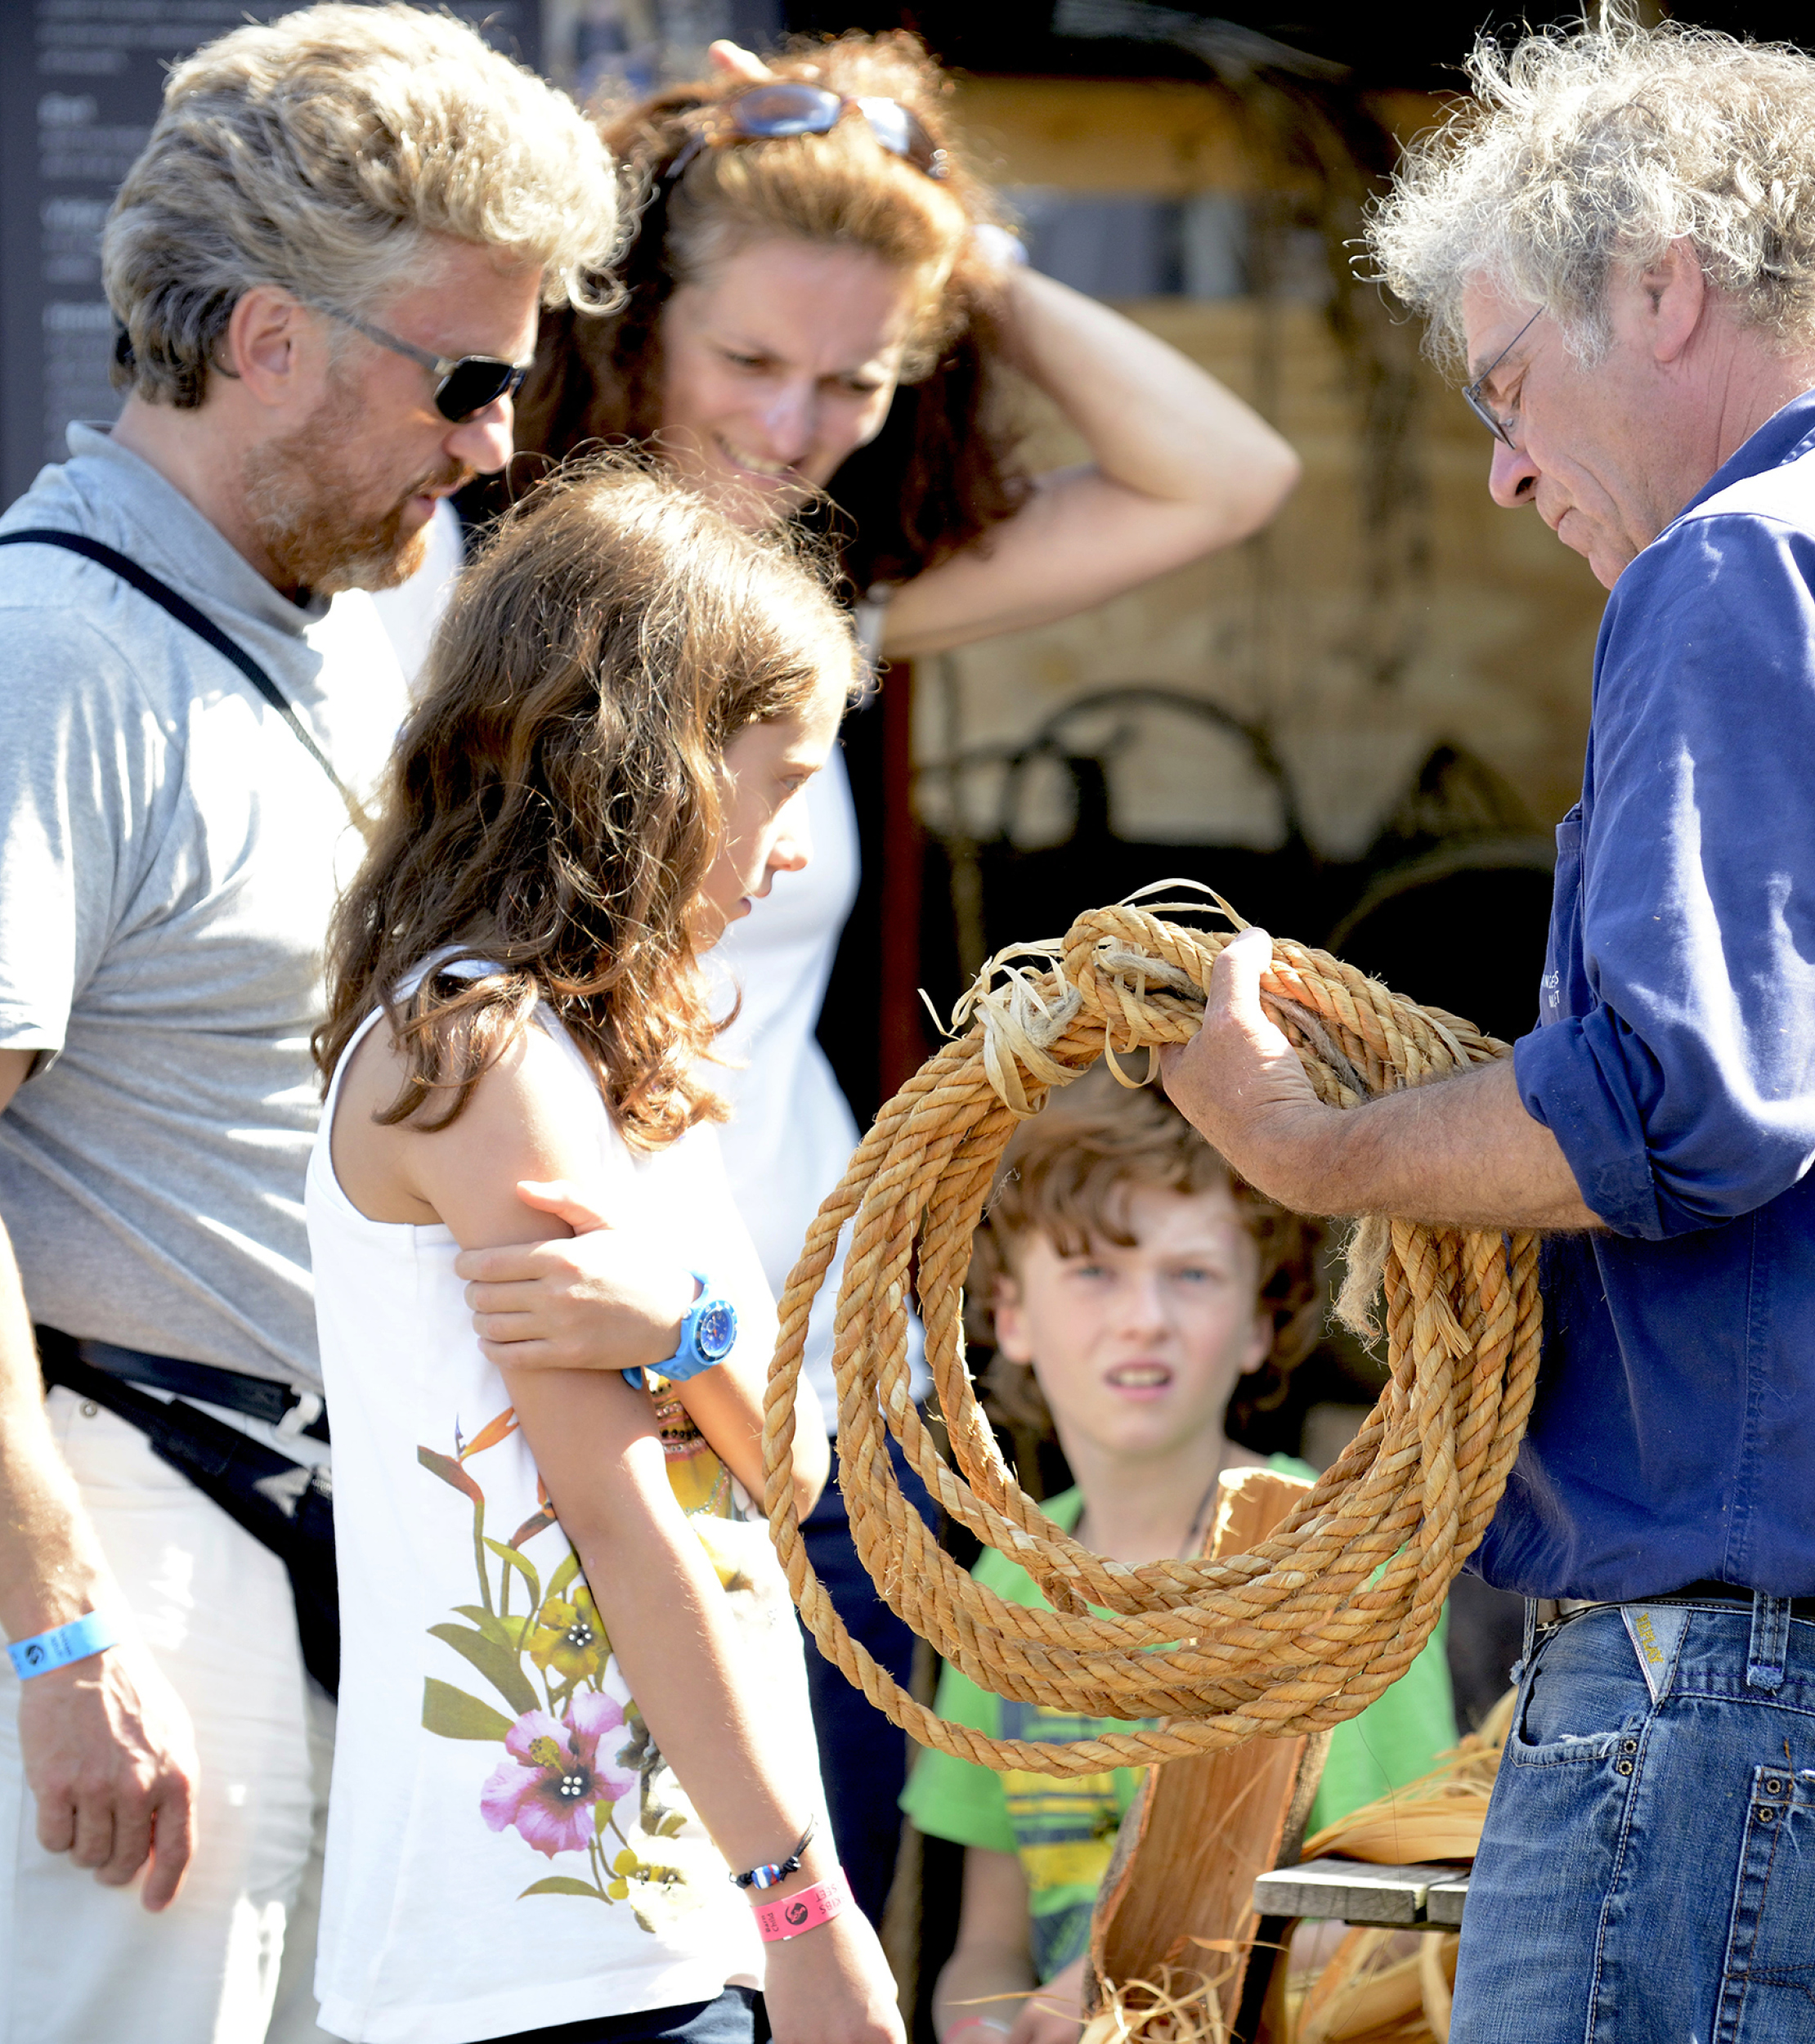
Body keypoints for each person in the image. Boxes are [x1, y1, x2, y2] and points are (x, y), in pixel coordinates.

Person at [1158, 18, 1815, 2043]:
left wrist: (1304, 1146)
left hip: (1732, 1720)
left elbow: (1677, 1099)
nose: (1501, 463)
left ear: (1659, 284)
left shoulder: (1749, 560)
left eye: (1505, 381)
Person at [455, 27, 1304, 1922]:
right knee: (593, 1953)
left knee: (820, 1950)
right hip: (552, 1397)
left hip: (826, 1410)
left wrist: (950, 238)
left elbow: (1226, 474)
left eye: (854, 377)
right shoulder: (463, 600)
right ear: (628, 326)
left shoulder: (827, 602)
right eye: (749, 359)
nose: (791, 423)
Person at [0, 10, 623, 2039]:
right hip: (130, 1549)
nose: (494, 445)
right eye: (469, 379)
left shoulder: (336, 625)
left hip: (313, 1543)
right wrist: (55, 1631)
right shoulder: (54, 651)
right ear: (270, 338)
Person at [309, 460, 894, 2044]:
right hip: (545, 1952)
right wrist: (808, 1905)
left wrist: (688, 1329)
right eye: (780, 782)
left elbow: (792, 1466)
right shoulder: (475, 1049)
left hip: (679, 1911)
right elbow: (618, 1518)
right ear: (648, 762)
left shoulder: (624, 1062)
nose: (792, 850)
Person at [903, 1083, 1455, 2044]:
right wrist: (985, 2028)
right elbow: (987, 1945)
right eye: (1093, 1270)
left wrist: (1121, 1976)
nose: (1143, 1318)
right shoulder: (1005, 1588)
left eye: (1191, 1273)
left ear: (1257, 1323)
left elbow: (1394, 1908)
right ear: (1010, 1314)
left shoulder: (1336, 1559)